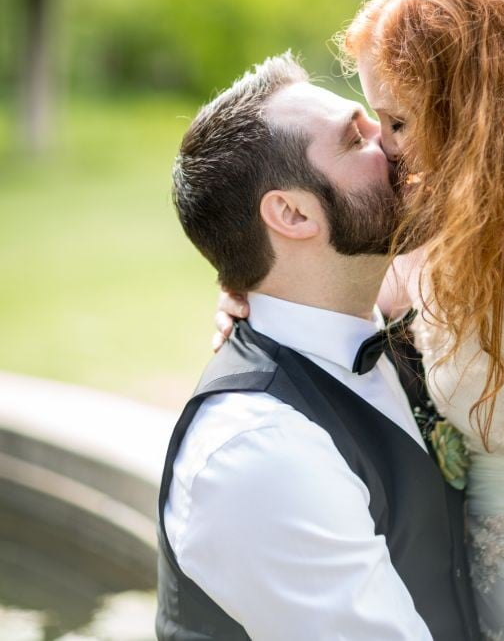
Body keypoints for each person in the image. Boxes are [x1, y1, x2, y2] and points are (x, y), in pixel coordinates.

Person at [217, 0, 504, 640]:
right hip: (499, 604)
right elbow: (319, 305)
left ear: (473, 111)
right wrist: (247, 304)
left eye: (397, 122)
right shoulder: (416, 250)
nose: (386, 151)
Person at [156, 54, 481, 640]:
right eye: (359, 137)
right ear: (292, 212)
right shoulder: (258, 452)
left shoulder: (399, 326)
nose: (396, 143)